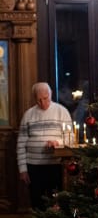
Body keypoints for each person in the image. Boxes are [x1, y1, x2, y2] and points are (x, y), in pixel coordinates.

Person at [17, 82, 73, 210]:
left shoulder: (61, 111)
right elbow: (20, 144)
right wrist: (23, 169)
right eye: (39, 100)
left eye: (45, 98)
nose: (43, 103)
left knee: (56, 202)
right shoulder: (28, 114)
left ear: (51, 94)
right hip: (33, 166)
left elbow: (71, 138)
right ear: (34, 98)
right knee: (37, 202)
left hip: (55, 165)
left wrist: (57, 143)